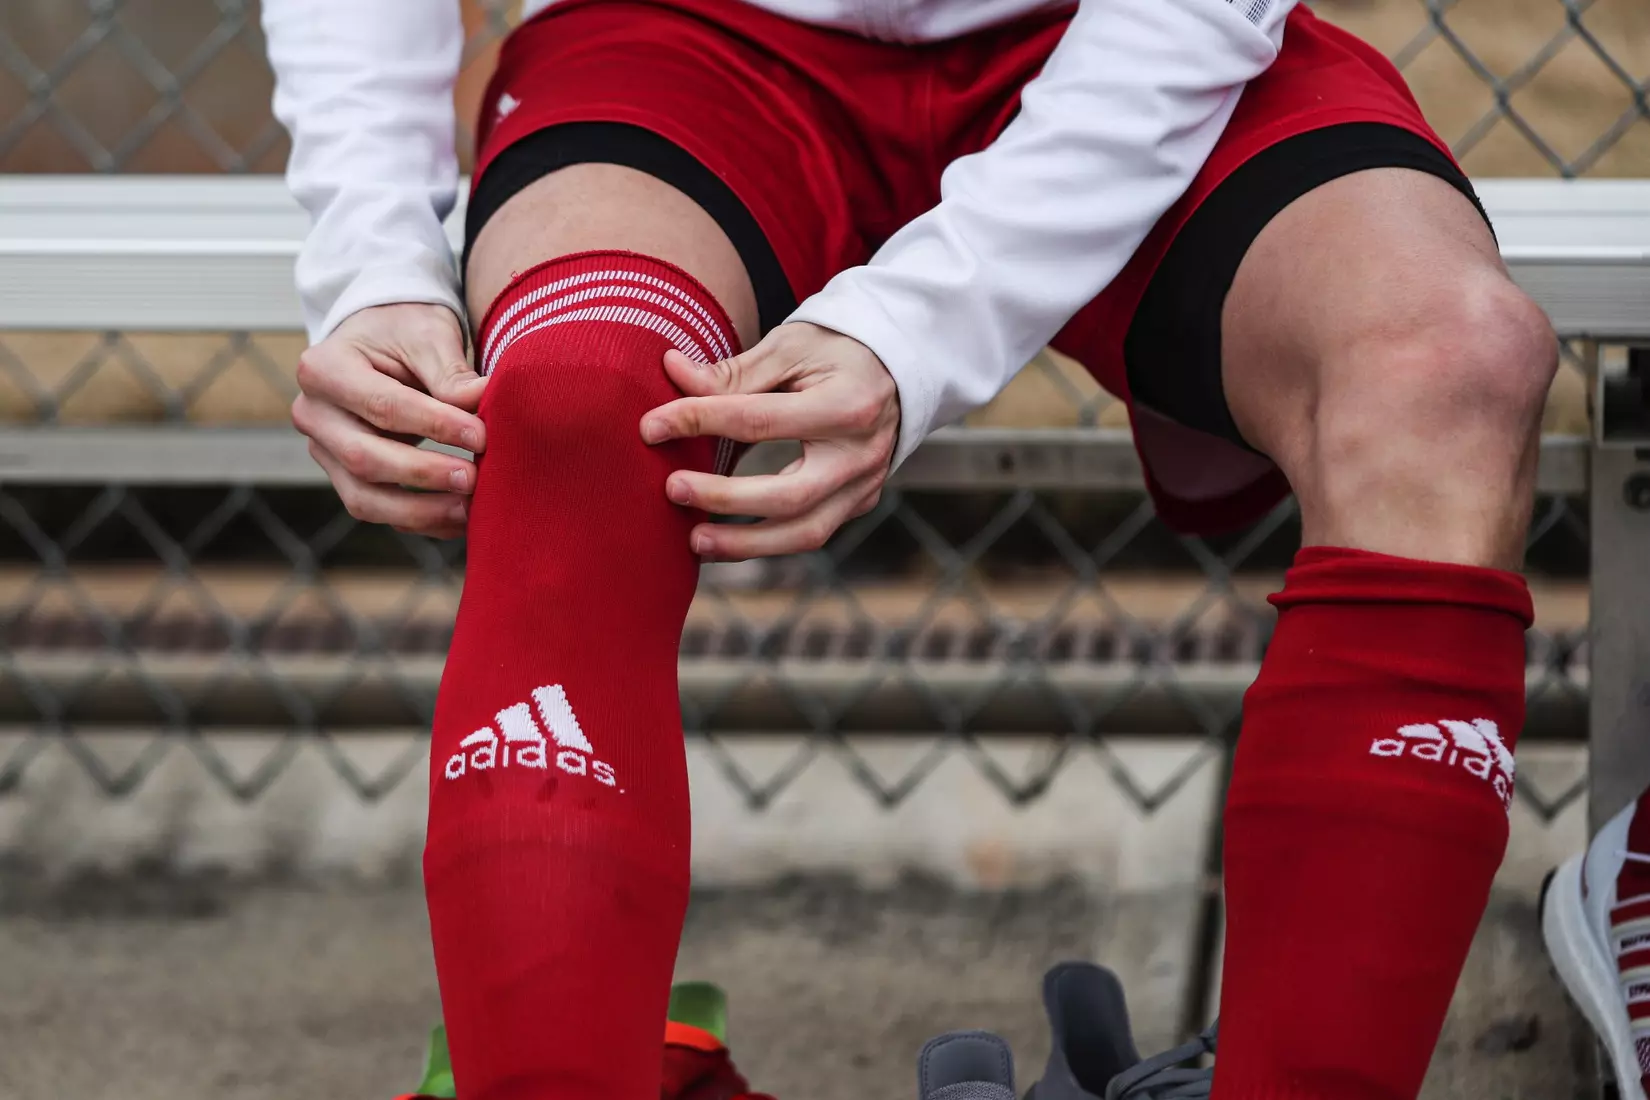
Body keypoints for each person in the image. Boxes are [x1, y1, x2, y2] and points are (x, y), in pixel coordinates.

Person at [260, 0, 1559, 1097]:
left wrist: (918, 326)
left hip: (1125, 36)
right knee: (569, 402)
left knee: (1445, 365)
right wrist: (373, 262)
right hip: (686, 40)